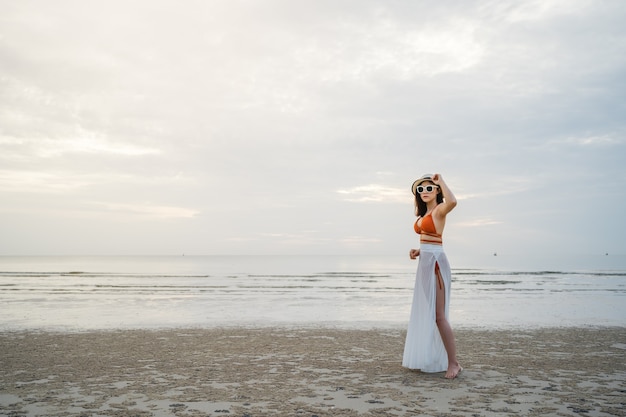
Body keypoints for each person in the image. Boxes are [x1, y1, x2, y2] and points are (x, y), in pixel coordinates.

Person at [403, 173, 462, 379]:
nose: (425, 192)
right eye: (421, 189)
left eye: (429, 188)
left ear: (436, 190)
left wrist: (440, 181)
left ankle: (454, 364)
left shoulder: (439, 210)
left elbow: (453, 201)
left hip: (436, 264)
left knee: (439, 316)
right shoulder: (423, 216)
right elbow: (429, 240)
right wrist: (418, 251)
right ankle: (441, 359)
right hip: (425, 263)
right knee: (430, 315)